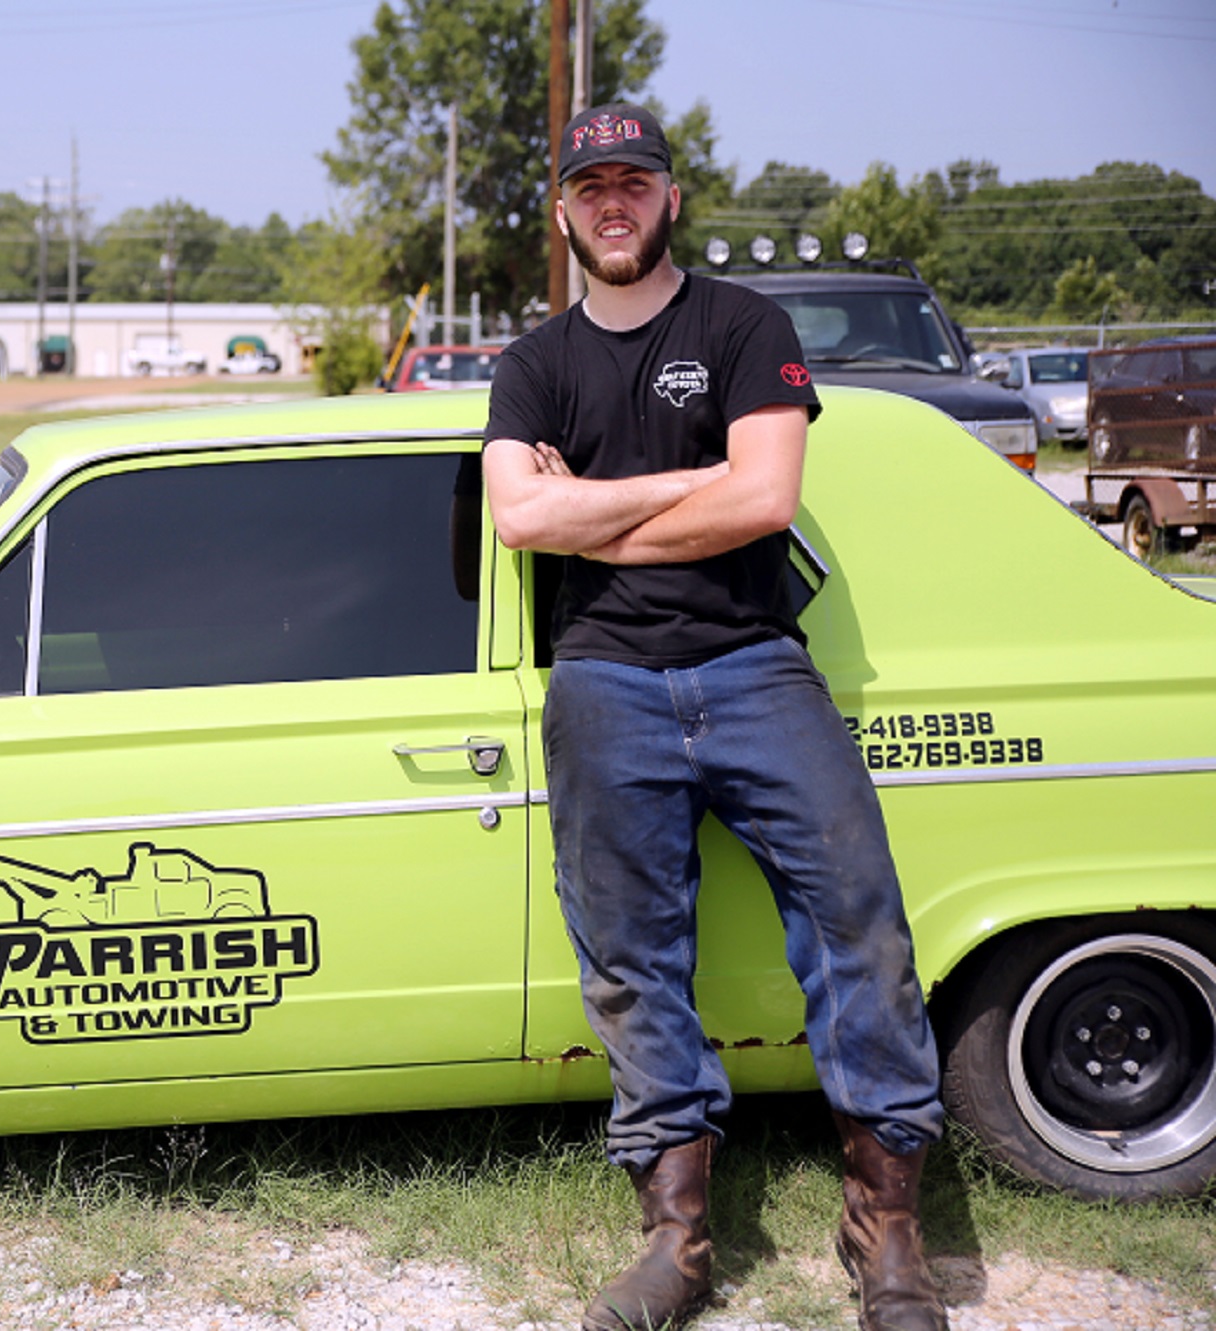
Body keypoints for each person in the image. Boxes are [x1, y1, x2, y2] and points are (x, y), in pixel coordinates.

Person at [482, 102, 948, 1331]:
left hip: (754, 665)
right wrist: (703, 483)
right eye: (592, 188)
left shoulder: (744, 324)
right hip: (601, 678)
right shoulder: (531, 362)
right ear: (564, 210)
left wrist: (609, 503)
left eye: (635, 182)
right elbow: (519, 522)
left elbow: (766, 497)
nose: (613, 204)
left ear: (671, 197)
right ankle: (676, 1242)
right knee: (630, 959)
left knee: (860, 924)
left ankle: (886, 1227)